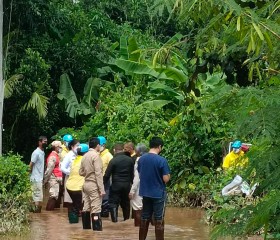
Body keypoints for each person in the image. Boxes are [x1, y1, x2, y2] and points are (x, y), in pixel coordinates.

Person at [138, 136, 170, 240]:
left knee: (144, 217)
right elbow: (165, 179)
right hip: (158, 193)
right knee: (159, 219)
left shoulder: (141, 159)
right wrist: (168, 176)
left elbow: (140, 173)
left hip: (145, 192)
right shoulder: (162, 160)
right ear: (159, 147)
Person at [103, 143, 134, 223]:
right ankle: (126, 221)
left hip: (116, 185)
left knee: (113, 203)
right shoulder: (129, 160)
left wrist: (102, 185)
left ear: (114, 150)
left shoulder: (113, 160)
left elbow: (107, 175)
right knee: (126, 203)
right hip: (127, 185)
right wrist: (133, 186)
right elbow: (132, 175)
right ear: (123, 150)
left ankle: (114, 221)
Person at [79, 137, 105, 231]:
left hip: (86, 184)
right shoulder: (96, 156)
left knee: (86, 207)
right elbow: (98, 173)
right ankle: (97, 231)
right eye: (100, 145)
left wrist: (88, 172)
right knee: (96, 208)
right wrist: (101, 189)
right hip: (94, 184)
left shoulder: (84, 156)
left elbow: (80, 172)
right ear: (97, 145)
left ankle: (86, 231)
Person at [66, 143, 88, 224]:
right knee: (77, 206)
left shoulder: (75, 159)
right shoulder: (84, 161)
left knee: (75, 204)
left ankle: (72, 221)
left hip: (69, 186)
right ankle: (73, 223)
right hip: (77, 187)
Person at [129, 143, 148, 226]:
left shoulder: (138, 160)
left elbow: (137, 178)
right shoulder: (150, 159)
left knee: (137, 209)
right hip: (150, 188)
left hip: (140, 188)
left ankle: (139, 228)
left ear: (138, 152)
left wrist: (132, 191)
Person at [29, 136, 48, 213]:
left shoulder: (42, 152)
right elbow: (31, 164)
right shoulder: (36, 153)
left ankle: (35, 211)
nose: (46, 143)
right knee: (37, 196)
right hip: (35, 178)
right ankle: (36, 212)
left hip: (40, 177)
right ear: (39, 142)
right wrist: (29, 175)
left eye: (46, 142)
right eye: (44, 142)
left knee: (38, 196)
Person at [60, 139, 80, 209]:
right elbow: (62, 168)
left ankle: (77, 213)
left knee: (78, 198)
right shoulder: (69, 155)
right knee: (70, 199)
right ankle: (72, 214)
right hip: (70, 178)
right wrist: (71, 172)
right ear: (72, 146)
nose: (78, 147)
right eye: (77, 145)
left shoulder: (79, 155)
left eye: (79, 146)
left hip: (78, 180)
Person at [44, 141, 63, 211]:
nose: (61, 148)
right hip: (53, 178)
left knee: (55, 195)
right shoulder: (53, 156)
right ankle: (49, 212)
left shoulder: (56, 155)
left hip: (56, 178)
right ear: (56, 147)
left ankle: (50, 211)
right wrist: (45, 181)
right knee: (53, 195)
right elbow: (49, 170)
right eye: (60, 147)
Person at [98, 136, 113, 218]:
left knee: (105, 197)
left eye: (99, 145)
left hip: (105, 179)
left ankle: (105, 213)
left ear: (103, 145)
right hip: (98, 179)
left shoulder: (108, 155)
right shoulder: (97, 154)